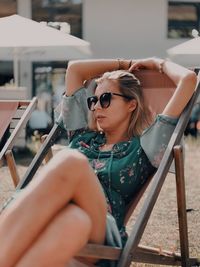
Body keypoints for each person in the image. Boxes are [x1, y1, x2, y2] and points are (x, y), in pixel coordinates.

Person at [0, 58, 197, 267]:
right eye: (93, 101)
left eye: (105, 99)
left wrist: (157, 64)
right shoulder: (82, 136)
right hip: (63, 219)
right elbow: (75, 70)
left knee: (72, 161)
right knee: (73, 221)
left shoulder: (145, 146)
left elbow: (188, 80)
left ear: (132, 104)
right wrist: (124, 63)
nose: (96, 107)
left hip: (102, 227)